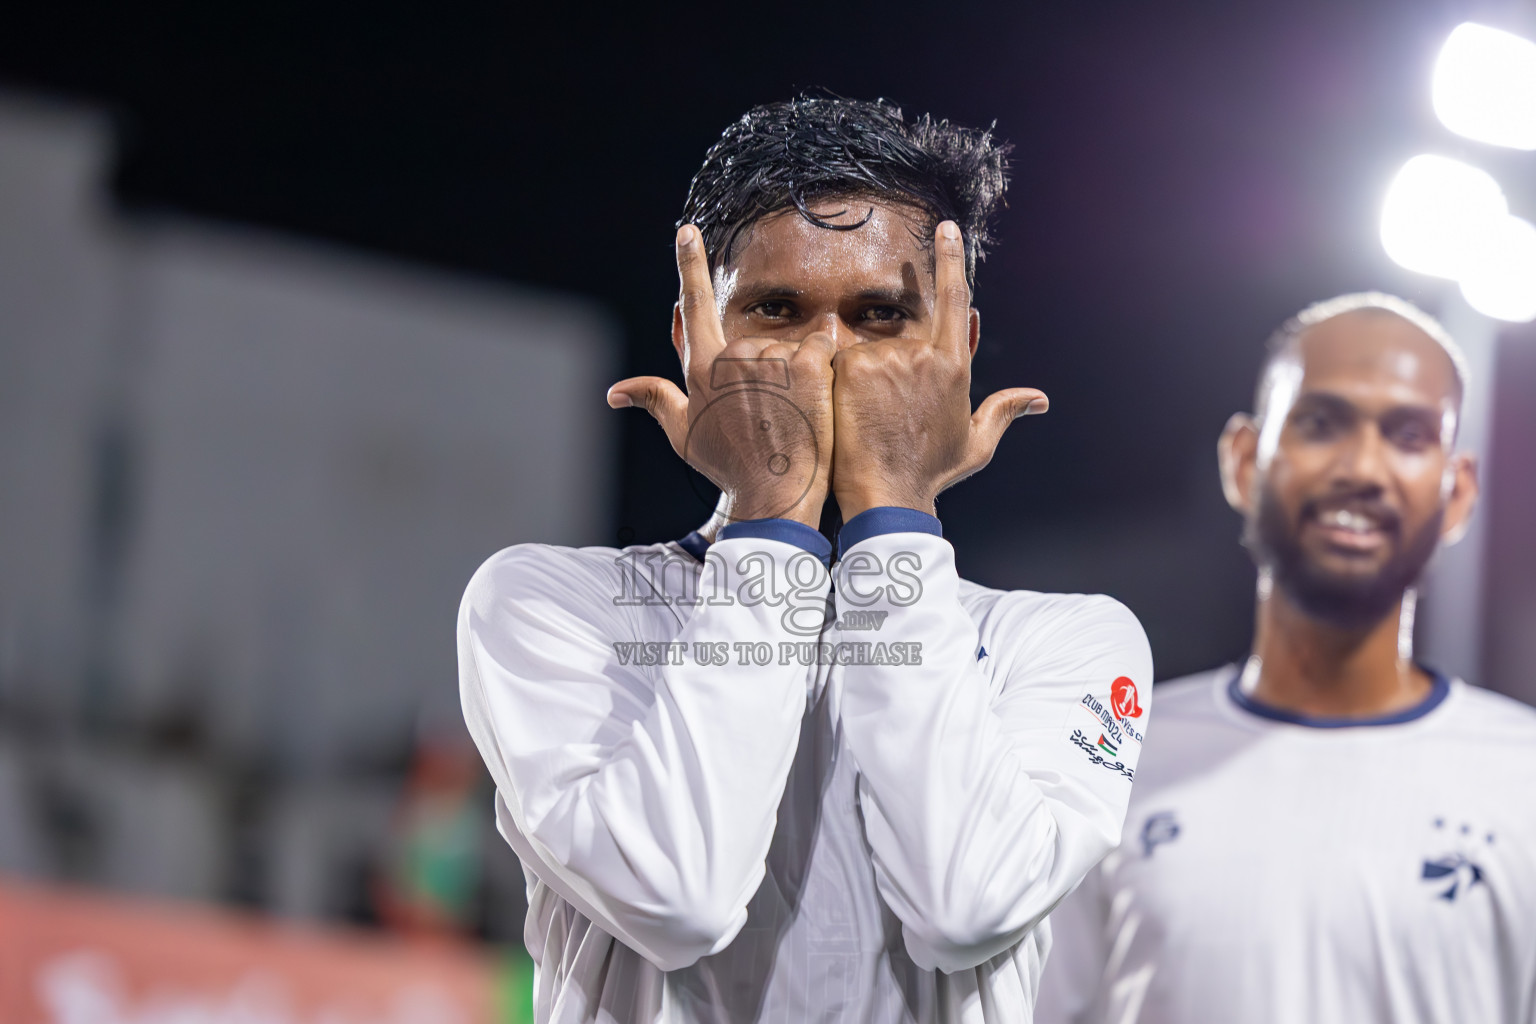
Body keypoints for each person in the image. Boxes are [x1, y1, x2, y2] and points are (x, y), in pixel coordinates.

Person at [457, 97, 1153, 1023]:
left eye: (881, 317)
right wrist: (775, 512)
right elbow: (677, 895)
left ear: (957, 353)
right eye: (778, 310)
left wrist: (894, 512)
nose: (826, 357)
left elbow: (965, 906)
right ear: (693, 340)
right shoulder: (551, 604)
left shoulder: (1069, 644)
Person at [1035, 293, 1536, 1024]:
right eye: (1321, 423)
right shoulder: (1111, 761)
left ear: (1457, 493)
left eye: (1407, 434)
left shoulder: (1524, 777)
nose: (1363, 467)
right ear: (1244, 460)